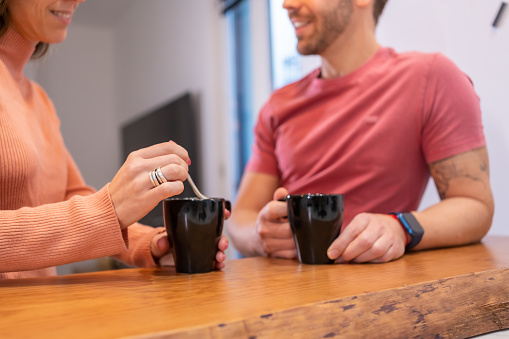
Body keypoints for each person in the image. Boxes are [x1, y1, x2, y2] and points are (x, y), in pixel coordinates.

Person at [227, 0, 494, 263]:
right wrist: (259, 236)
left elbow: (474, 206)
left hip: (374, 291)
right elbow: (241, 217)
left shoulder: (431, 78)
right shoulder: (278, 105)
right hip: (283, 288)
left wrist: (400, 227)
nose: (288, 4)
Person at [0, 0, 228, 279]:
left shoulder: (40, 101)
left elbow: (74, 197)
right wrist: (107, 209)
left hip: (44, 313)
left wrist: (154, 245)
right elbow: (96, 210)